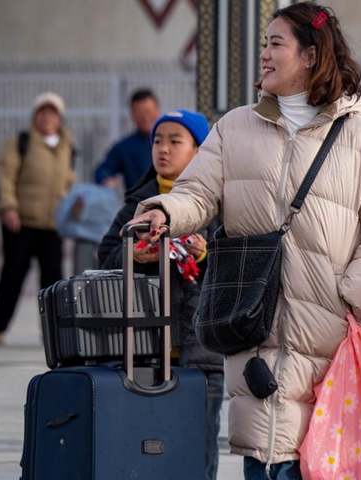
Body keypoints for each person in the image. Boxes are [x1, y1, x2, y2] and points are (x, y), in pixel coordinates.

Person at [127, 4, 361, 479]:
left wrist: (350, 292)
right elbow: (198, 193)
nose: (263, 54)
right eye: (263, 43)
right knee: (266, 454)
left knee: (324, 461)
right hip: (254, 323)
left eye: (275, 43)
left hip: (334, 338)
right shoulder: (235, 128)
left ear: (310, 55)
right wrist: (164, 210)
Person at [97, 109, 224, 480]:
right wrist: (131, 256)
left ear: (199, 151)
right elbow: (103, 258)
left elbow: (236, 268)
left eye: (175, 140)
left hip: (201, 353)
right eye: (157, 140)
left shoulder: (216, 205)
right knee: (146, 444)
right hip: (144, 353)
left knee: (198, 447)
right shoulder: (136, 205)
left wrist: (205, 255)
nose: (163, 149)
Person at [0, 92, 76, 345]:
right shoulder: (21, 142)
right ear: (35, 115)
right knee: (12, 277)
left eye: (52, 113)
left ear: (59, 117)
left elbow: (69, 180)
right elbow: (4, 177)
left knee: (53, 283)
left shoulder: (66, 145)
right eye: (42, 112)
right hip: (22, 223)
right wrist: (8, 208)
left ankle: (54, 334)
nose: (47, 117)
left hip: (53, 226)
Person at [94, 88, 161, 190]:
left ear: (158, 111)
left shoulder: (173, 143)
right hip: (139, 204)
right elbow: (103, 169)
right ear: (132, 115)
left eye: (148, 112)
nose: (145, 117)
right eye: (140, 113)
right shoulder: (125, 147)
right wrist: (106, 179)